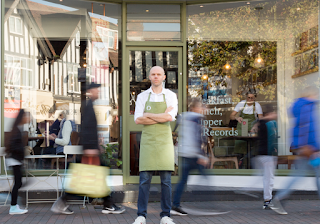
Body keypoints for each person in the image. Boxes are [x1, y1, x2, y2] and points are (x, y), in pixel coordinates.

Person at [50, 82, 125, 215]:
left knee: (95, 176)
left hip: (91, 149)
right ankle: (63, 202)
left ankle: (107, 204)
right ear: (91, 91)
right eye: (96, 90)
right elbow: (87, 129)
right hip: (89, 151)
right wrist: (90, 148)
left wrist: (96, 146)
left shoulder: (89, 106)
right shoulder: (88, 107)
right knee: (88, 178)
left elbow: (89, 130)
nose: (98, 92)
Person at [132, 66, 178, 224]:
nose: (156, 76)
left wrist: (149, 114)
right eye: (153, 74)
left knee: (166, 181)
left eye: (159, 74)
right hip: (148, 141)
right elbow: (138, 120)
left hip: (164, 142)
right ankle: (141, 215)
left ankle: (165, 215)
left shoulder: (171, 96)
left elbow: (170, 118)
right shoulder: (142, 96)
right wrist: (162, 115)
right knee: (144, 180)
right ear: (149, 77)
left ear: (164, 77)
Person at [271, 86, 320, 215]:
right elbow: (308, 128)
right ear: (309, 95)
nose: (315, 96)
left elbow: (300, 128)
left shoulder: (298, 107)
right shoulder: (307, 106)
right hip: (309, 149)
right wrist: (313, 147)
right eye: (314, 94)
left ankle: (278, 198)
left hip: (304, 148)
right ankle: (278, 199)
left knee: (299, 175)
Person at [171, 98, 208, 216]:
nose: (203, 109)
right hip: (193, 153)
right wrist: (201, 154)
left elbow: (176, 130)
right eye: (201, 107)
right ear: (196, 108)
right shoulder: (197, 118)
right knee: (205, 175)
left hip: (184, 152)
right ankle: (212, 202)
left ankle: (175, 204)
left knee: (183, 180)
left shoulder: (183, 116)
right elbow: (198, 137)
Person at [5, 109, 30, 215]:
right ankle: (13, 206)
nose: (28, 118)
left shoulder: (17, 128)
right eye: (26, 116)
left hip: (15, 159)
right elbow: (15, 146)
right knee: (18, 183)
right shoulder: (17, 129)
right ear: (22, 117)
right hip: (14, 160)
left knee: (18, 182)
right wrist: (22, 154)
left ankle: (14, 204)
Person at [230, 89, 263, 168]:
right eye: (248, 97)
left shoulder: (257, 105)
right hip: (242, 127)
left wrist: (256, 125)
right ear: (246, 97)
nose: (250, 99)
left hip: (252, 128)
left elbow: (261, 119)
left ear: (255, 98)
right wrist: (237, 118)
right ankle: (240, 168)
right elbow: (231, 116)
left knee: (252, 148)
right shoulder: (241, 104)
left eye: (252, 98)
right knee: (241, 148)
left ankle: (251, 167)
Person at [255, 104, 278, 209]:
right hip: (267, 154)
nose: (275, 115)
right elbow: (271, 140)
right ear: (269, 114)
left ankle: (266, 198)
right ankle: (267, 200)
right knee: (269, 178)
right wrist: (272, 153)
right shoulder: (270, 124)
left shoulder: (260, 123)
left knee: (264, 177)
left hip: (260, 154)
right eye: (274, 113)